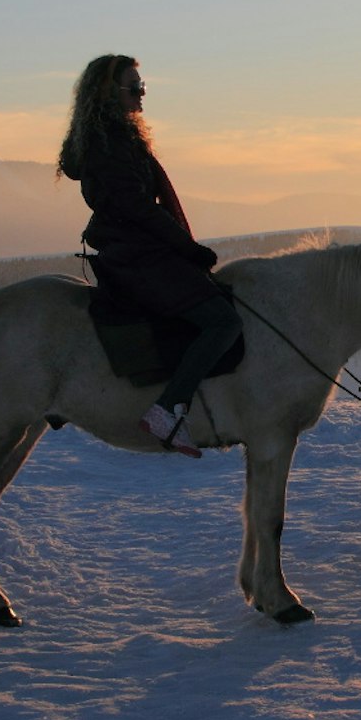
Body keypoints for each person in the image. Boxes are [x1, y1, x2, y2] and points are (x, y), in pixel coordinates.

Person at [58, 54, 242, 456]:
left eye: (144, 87)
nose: (142, 94)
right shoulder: (112, 146)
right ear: (109, 93)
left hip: (137, 249)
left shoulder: (112, 139)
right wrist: (186, 248)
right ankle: (168, 410)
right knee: (222, 322)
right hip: (137, 255)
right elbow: (138, 208)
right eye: (134, 87)